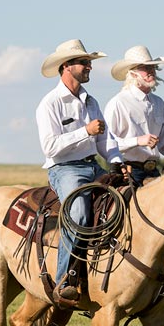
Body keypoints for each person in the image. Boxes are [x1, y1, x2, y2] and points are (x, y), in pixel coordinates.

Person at [36, 39, 127, 307]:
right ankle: (65, 279)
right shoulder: (49, 104)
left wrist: (117, 161)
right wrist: (84, 132)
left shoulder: (91, 101)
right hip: (65, 169)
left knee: (127, 200)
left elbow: (106, 140)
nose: (89, 67)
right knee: (79, 214)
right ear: (66, 67)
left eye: (89, 62)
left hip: (93, 166)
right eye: (84, 63)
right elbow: (50, 146)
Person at [104, 45, 164, 186]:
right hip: (127, 173)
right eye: (145, 68)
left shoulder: (158, 103)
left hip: (153, 172)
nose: (151, 71)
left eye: (152, 67)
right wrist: (138, 141)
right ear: (133, 74)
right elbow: (107, 143)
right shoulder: (118, 103)